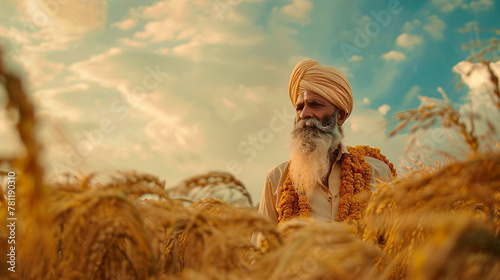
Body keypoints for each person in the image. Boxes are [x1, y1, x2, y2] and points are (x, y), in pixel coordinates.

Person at [258, 59, 396, 226]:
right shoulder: (276, 179)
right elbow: (262, 247)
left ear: (341, 116)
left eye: (315, 105)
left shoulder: (378, 173)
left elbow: (395, 245)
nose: (304, 114)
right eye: (299, 107)